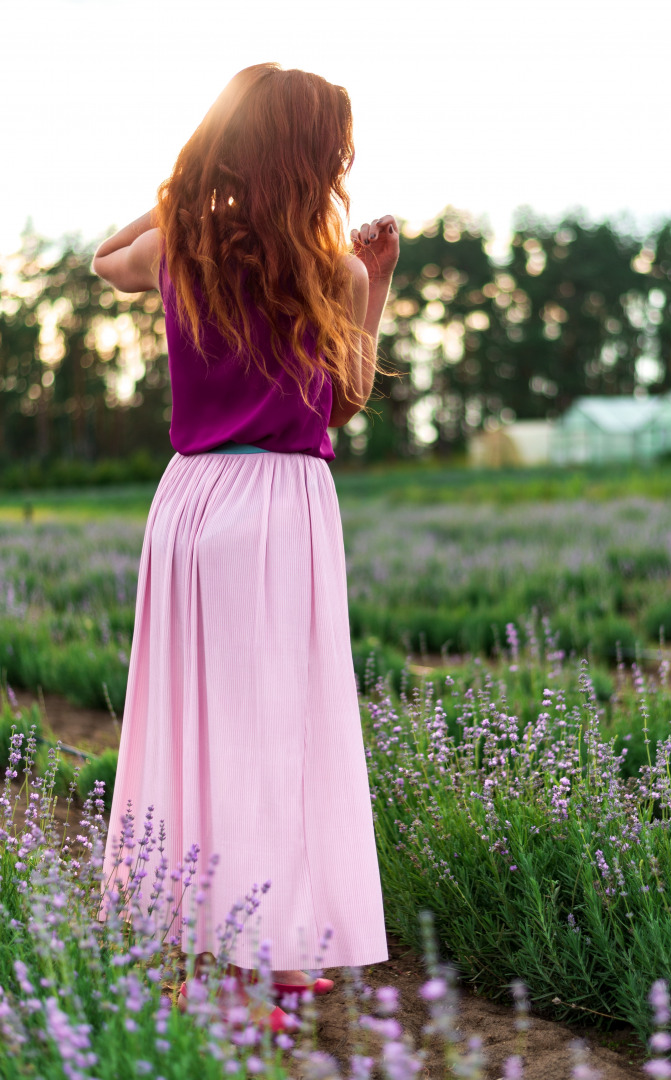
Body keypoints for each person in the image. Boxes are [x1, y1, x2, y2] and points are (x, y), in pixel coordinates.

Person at [92, 62, 399, 1030]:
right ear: (317, 158)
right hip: (279, 505)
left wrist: (176, 193)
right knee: (271, 733)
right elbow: (343, 402)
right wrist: (375, 282)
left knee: (201, 727)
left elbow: (104, 259)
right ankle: (241, 970)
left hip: (191, 501)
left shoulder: (185, 249)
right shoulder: (332, 271)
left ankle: (228, 949)